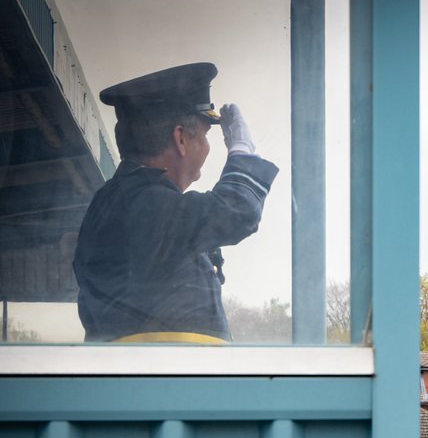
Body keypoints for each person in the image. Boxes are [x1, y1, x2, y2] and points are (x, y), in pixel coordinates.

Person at [75, 63, 278, 342]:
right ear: (180, 138)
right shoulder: (144, 202)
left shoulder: (124, 199)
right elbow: (236, 211)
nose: (208, 147)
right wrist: (242, 154)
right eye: (206, 135)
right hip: (163, 381)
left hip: (156, 378)